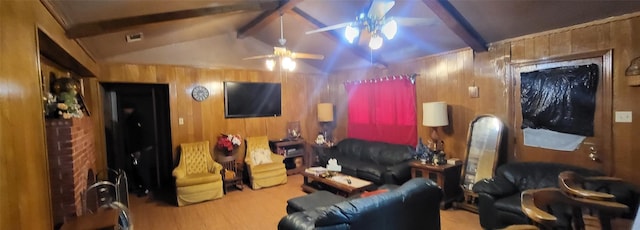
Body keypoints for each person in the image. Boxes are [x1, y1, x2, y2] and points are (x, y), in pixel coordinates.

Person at [122, 102, 151, 197]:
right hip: (135, 149)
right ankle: (141, 187)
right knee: (136, 169)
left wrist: (138, 149)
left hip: (138, 149)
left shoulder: (136, 119)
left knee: (141, 169)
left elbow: (139, 136)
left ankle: (145, 188)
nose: (123, 111)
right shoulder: (131, 119)